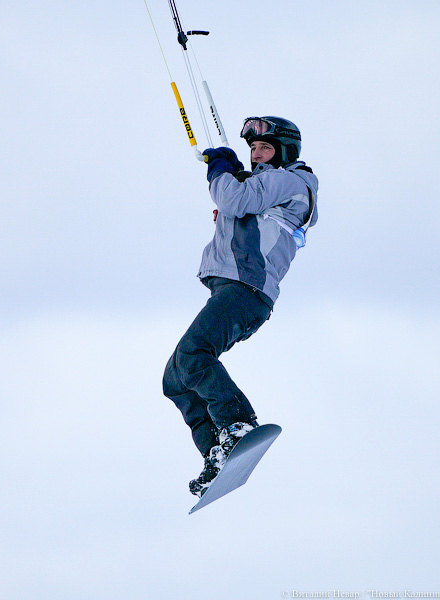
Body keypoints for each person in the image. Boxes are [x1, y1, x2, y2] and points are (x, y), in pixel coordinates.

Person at [162, 116, 319, 497]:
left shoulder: (292, 180)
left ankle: (237, 425)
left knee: (195, 355)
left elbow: (232, 197)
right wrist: (231, 175)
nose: (256, 156)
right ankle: (218, 451)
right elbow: (237, 201)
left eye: (264, 148)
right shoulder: (258, 186)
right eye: (252, 150)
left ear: (284, 152)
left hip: (247, 288)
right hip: (231, 288)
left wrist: (220, 171)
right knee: (175, 378)